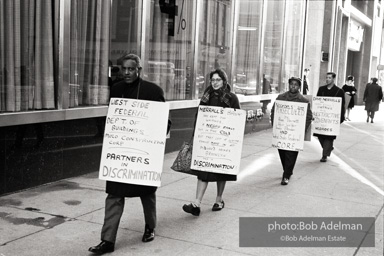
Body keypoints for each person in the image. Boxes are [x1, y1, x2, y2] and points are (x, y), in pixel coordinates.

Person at [89, 54, 171, 255]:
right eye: (123, 69)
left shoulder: (153, 91)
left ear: (139, 70)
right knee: (114, 195)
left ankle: (150, 227)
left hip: (143, 154)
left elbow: (164, 122)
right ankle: (107, 240)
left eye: (130, 69)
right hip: (121, 153)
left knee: (147, 194)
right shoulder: (116, 89)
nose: (126, 73)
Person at [182, 68, 240, 216]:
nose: (215, 83)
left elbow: (238, 120)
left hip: (223, 142)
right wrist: (196, 135)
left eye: (218, 80)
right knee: (203, 171)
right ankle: (196, 203)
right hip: (206, 141)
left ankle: (219, 200)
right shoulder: (206, 96)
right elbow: (199, 117)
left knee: (221, 171)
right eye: (213, 80)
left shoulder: (231, 98)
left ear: (224, 81)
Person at [270, 77, 313, 185]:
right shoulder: (281, 97)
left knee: (291, 154)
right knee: (283, 153)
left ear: (299, 87)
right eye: (291, 84)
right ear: (288, 85)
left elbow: (308, 117)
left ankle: (286, 175)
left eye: (296, 84)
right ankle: (288, 170)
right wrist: (275, 125)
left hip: (294, 133)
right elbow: (274, 111)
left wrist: (301, 129)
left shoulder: (303, 100)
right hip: (281, 132)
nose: (293, 86)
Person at [313, 72, 345, 162]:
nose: (327, 79)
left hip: (332, 119)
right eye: (326, 77)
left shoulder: (339, 91)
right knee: (320, 135)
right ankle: (328, 148)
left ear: (333, 79)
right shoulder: (321, 89)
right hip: (322, 118)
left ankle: (324, 155)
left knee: (329, 137)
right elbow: (317, 102)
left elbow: (342, 105)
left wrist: (341, 118)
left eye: (329, 78)